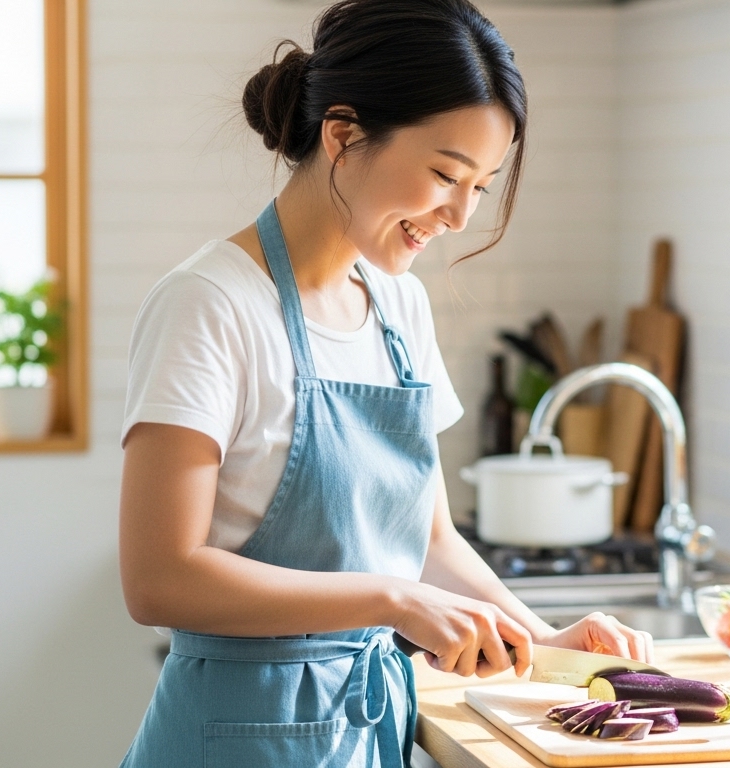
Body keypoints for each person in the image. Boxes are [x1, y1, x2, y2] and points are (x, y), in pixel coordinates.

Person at [115, 1, 651, 765]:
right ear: (343, 134)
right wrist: (391, 599)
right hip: (234, 738)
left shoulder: (400, 307)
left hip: (368, 734)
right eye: (444, 174)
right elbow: (159, 579)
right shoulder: (209, 304)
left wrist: (543, 639)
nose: (459, 215)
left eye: (481, 186)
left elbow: (431, 542)